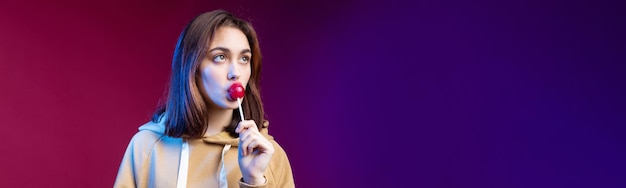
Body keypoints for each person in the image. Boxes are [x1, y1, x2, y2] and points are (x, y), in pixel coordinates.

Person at [114, 10, 295, 188]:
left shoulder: (270, 156)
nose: (235, 73)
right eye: (220, 57)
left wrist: (253, 180)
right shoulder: (146, 147)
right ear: (193, 67)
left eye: (244, 59)